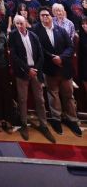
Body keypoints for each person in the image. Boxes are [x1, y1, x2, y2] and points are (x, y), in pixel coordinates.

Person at [33, 7, 81, 137]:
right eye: (42, 15)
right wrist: (53, 58)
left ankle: (72, 120)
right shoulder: (36, 31)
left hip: (65, 68)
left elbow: (70, 47)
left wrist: (61, 58)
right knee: (53, 95)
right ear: (40, 17)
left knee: (68, 96)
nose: (45, 17)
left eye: (47, 15)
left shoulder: (61, 30)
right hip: (50, 69)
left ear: (51, 16)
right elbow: (39, 49)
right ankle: (56, 119)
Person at [8, 15, 55, 143]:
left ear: (26, 23)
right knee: (22, 100)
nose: (19, 25)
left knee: (40, 100)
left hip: (36, 71)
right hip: (23, 72)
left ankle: (43, 125)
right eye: (17, 23)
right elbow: (14, 56)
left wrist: (36, 70)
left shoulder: (33, 36)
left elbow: (40, 54)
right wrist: (27, 69)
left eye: (21, 23)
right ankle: (24, 124)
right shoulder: (13, 36)